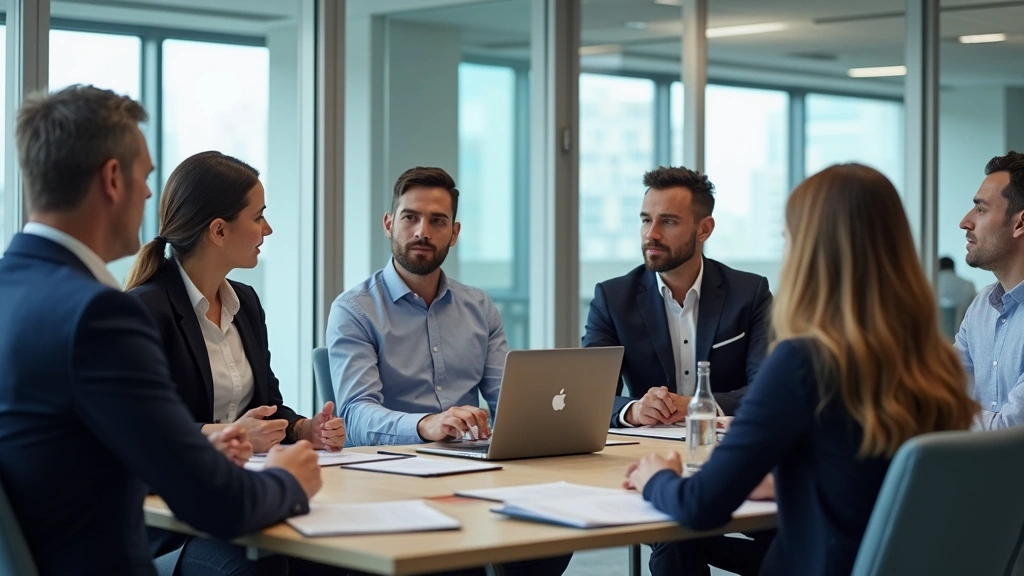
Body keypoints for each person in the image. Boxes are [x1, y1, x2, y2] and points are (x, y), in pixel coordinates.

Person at [0, 85, 322, 575]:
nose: (151, 195)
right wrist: (289, 480)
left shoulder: (13, 290)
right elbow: (213, 500)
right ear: (113, 178)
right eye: (146, 176)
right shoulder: (99, 316)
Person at [625, 164, 978, 576]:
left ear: (809, 253)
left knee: (676, 541)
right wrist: (790, 479)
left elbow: (701, 505)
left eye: (788, 240)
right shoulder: (933, 363)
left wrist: (657, 477)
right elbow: (868, 478)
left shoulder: (803, 362)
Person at [327, 166, 571, 576]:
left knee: (554, 526)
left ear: (454, 233)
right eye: (410, 217)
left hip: (473, 471)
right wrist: (427, 424)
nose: (423, 230)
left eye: (437, 221)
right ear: (389, 224)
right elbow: (354, 415)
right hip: (391, 477)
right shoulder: (353, 310)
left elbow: (508, 400)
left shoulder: (479, 307)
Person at [122, 151, 346, 571]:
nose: (268, 228)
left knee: (335, 559)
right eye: (258, 216)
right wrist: (226, 434)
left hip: (241, 500)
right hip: (174, 526)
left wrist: (303, 429)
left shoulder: (246, 302)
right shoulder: (144, 310)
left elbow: (267, 405)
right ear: (219, 230)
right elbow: (140, 433)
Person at [583, 166, 772, 430]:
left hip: (725, 446)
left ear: (704, 229)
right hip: (641, 449)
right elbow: (590, 396)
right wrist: (635, 410)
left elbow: (768, 388)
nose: (652, 234)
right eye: (646, 220)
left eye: (668, 221)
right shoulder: (612, 299)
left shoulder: (750, 293)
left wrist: (698, 405)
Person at [955, 151, 1024, 430]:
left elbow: (1009, 432)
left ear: (1019, 224)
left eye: (981, 210)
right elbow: (942, 393)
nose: (965, 222)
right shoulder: (982, 305)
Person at [937, 256, 975, 336]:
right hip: (962, 332)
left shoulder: (931, 282)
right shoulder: (968, 284)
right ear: (953, 268)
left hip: (935, 333)